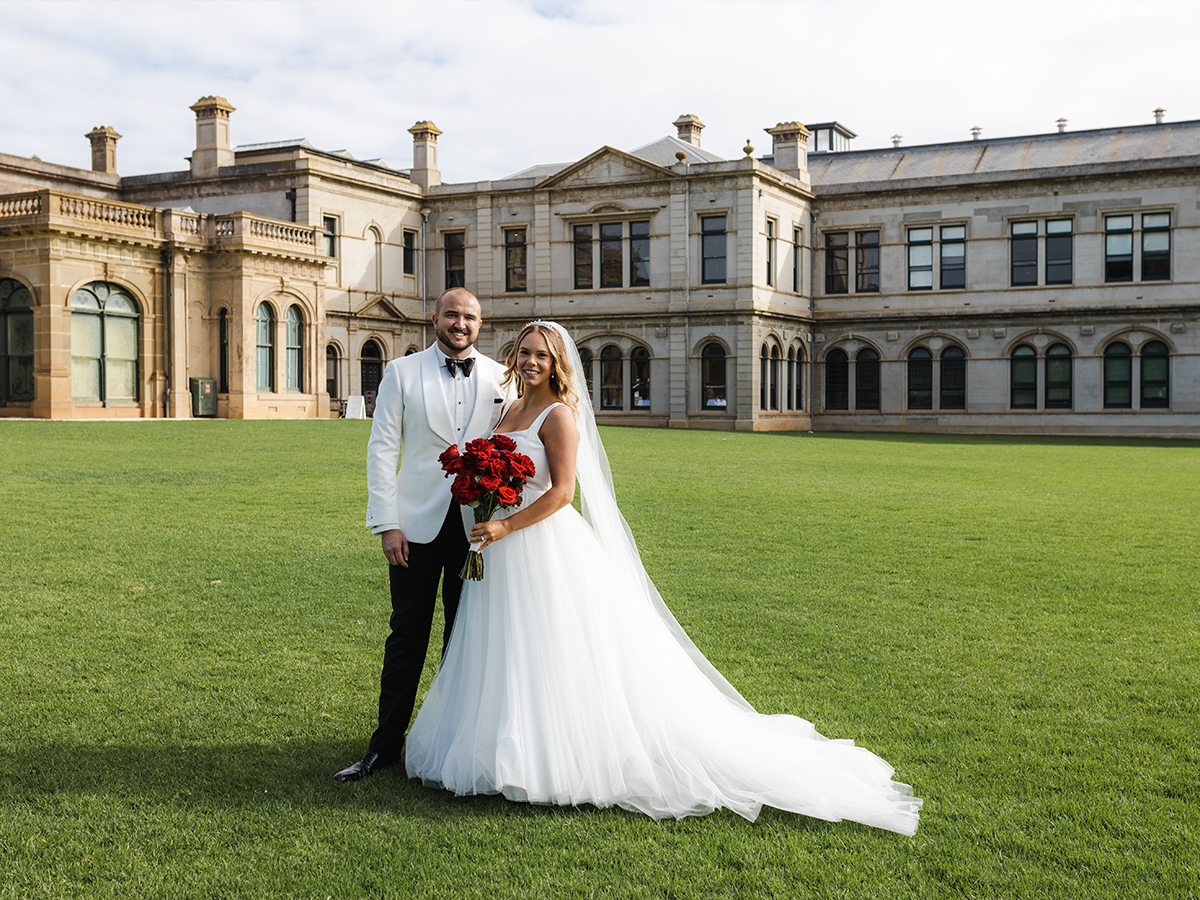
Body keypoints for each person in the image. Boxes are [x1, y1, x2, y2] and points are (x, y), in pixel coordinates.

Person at [404, 321, 923, 834]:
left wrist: (504, 525)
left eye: (542, 355)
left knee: (544, 648)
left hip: (538, 545)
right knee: (502, 647)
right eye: (525, 353)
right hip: (497, 549)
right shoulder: (509, 408)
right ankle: (497, 745)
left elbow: (563, 493)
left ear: (559, 363)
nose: (531, 362)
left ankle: (548, 756)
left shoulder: (560, 416)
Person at [335, 287, 509, 782]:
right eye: (452, 314)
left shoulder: (502, 378)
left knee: (464, 640)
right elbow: (381, 449)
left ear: (481, 323)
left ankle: (454, 743)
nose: (460, 323)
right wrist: (386, 523)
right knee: (407, 636)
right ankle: (385, 746)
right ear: (434, 319)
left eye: (470, 317)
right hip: (413, 530)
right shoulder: (401, 372)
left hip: (476, 530)